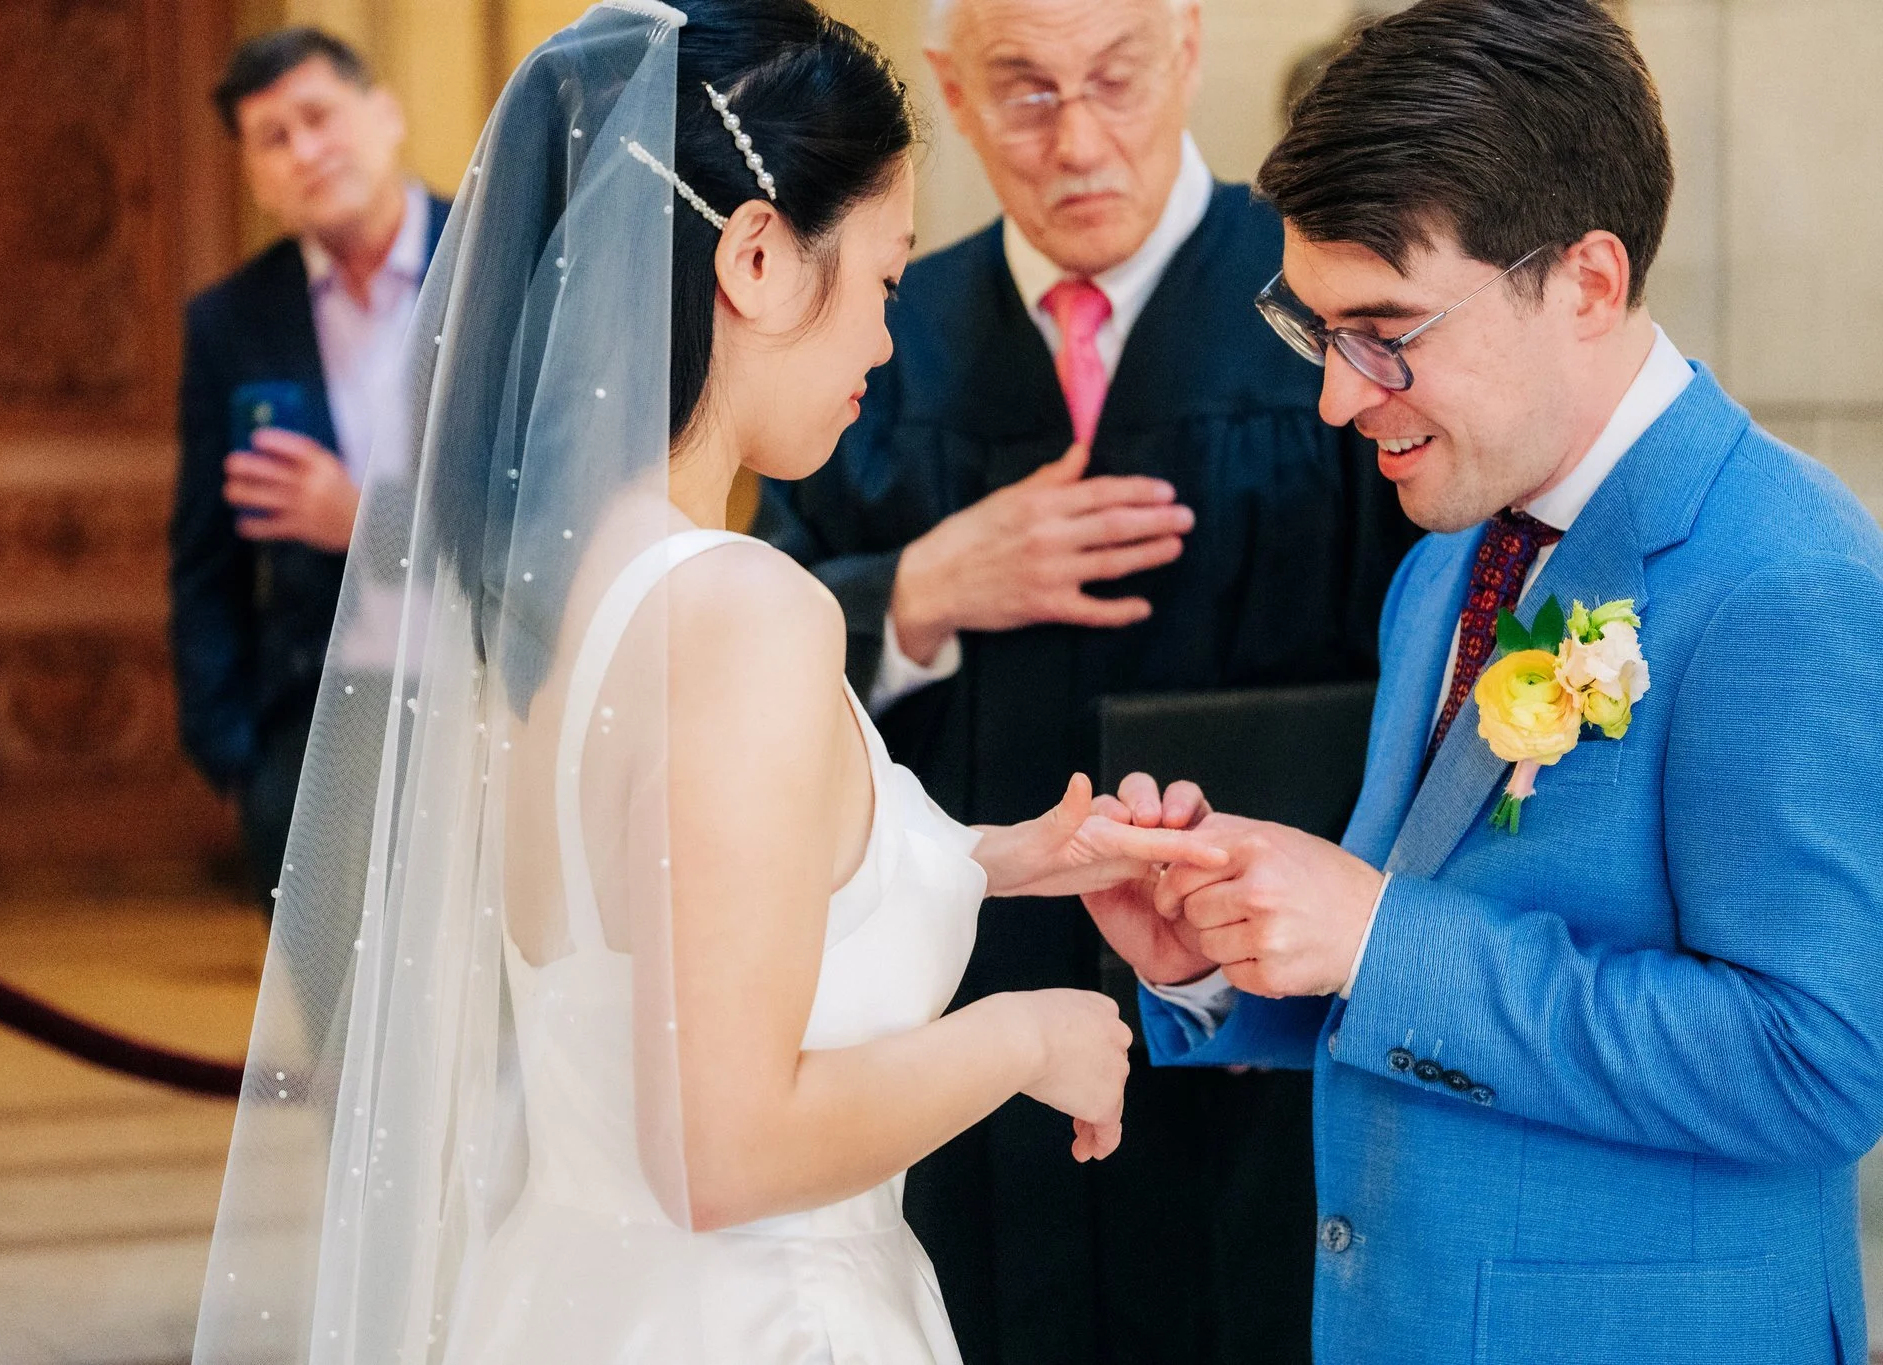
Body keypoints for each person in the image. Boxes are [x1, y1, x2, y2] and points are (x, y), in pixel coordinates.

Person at [190, 3, 1223, 1361]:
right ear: (753, 257)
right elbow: (721, 1149)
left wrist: (983, 857)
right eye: (883, 281)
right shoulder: (743, 611)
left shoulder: (560, 588)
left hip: (572, 1295)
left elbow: (665, 908)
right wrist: (1029, 1040)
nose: (885, 344)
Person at [1092, 2, 1883, 1361]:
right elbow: (1417, 950)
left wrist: (1374, 936)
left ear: (1584, 282)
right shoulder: (1446, 561)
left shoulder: (1782, 576)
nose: (1338, 400)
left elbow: (1814, 1064)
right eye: (1317, 332)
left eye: (1385, 330)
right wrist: (1231, 960)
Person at [753, 0, 1417, 1359]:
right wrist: (916, 592)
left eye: (1115, 79)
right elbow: (733, 653)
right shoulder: (877, 335)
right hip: (962, 1027)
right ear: (951, 90)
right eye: (1025, 91)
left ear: (1187, 50)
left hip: (1258, 1027)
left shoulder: (1330, 318)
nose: (1077, 141)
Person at [170, 27, 450, 907]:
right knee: (322, 996)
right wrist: (233, 755)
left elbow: (559, 502)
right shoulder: (230, 320)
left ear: (385, 114)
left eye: (319, 116)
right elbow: (204, 559)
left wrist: (361, 519)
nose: (304, 151)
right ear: (254, 176)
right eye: (273, 138)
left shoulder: (497, 262)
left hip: (492, 686)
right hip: (315, 720)